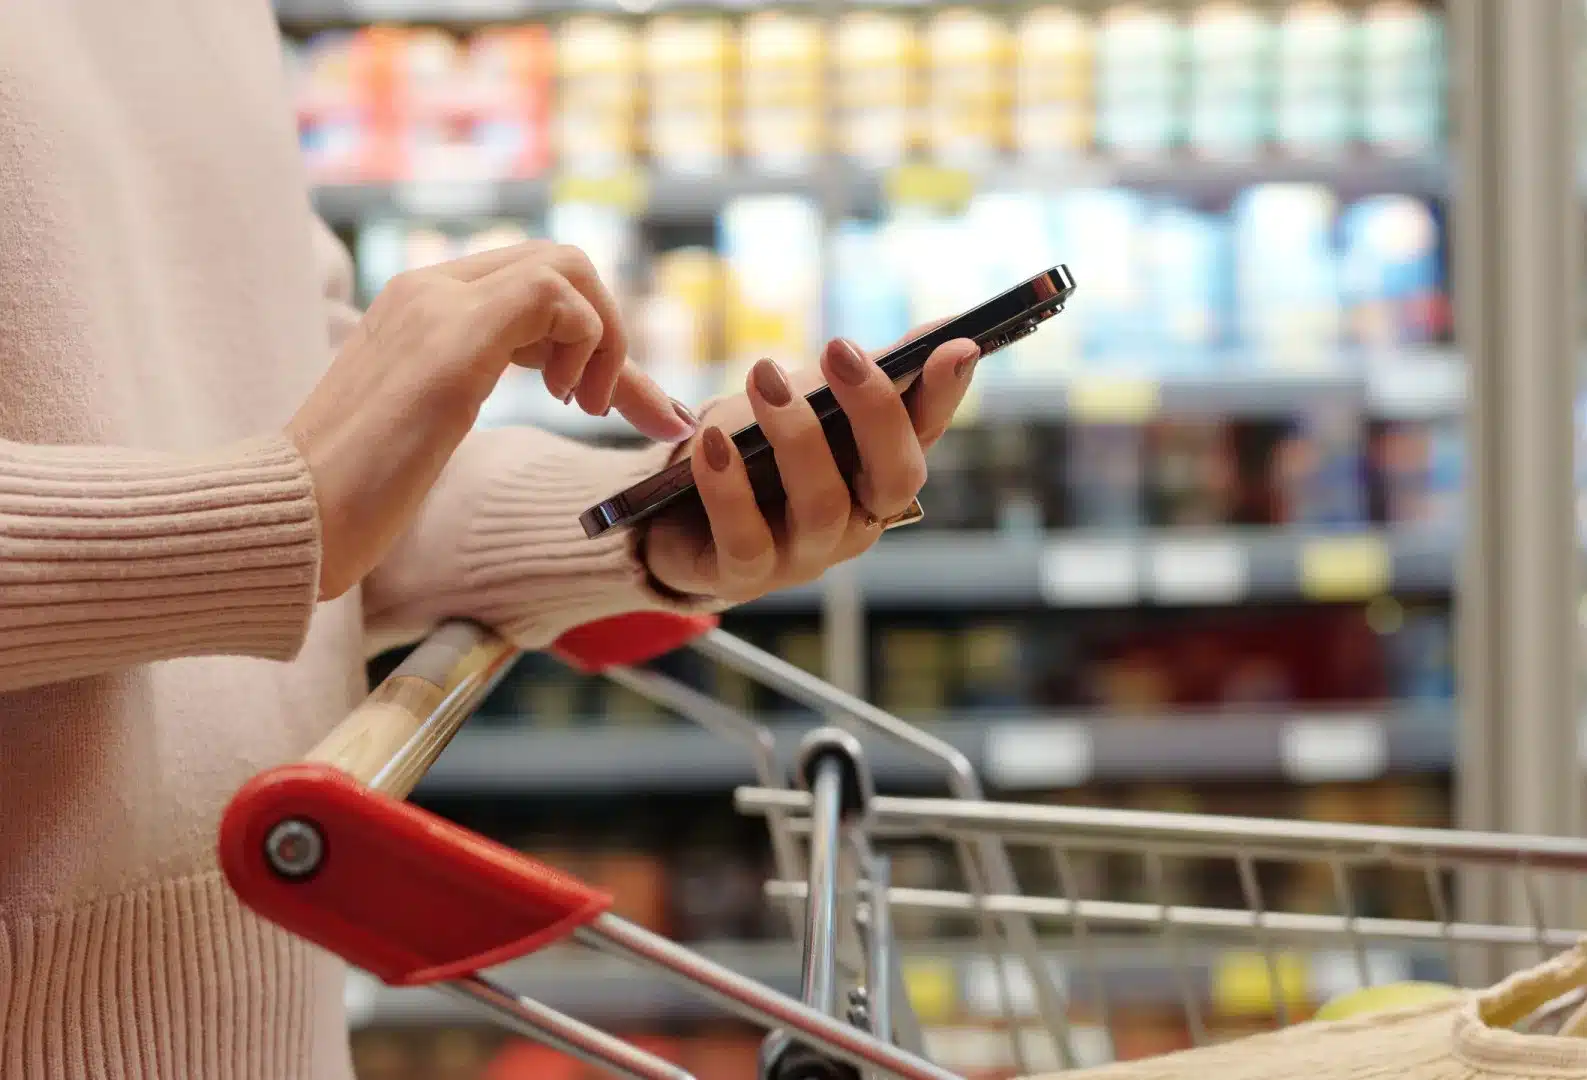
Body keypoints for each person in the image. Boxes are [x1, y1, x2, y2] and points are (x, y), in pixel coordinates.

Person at [0, 6, 979, 1078]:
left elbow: (313, 456)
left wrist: (654, 516)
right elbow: (300, 497)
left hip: (265, 1004)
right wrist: (282, 506)